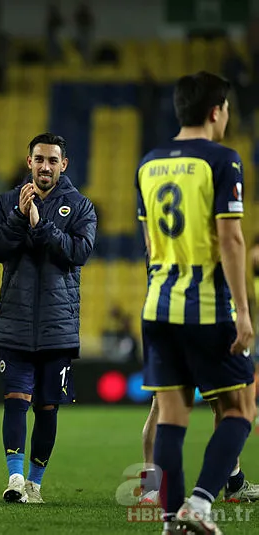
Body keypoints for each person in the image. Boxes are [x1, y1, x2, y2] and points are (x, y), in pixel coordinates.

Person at [137, 71, 257, 534]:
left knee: (172, 415)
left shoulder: (148, 164)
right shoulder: (223, 160)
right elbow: (231, 239)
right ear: (215, 111)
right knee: (240, 409)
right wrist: (243, 312)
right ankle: (201, 504)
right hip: (206, 307)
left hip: (157, 305)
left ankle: (170, 522)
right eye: (226, 109)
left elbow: (150, 245)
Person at [0, 133, 97, 504]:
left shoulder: (81, 207)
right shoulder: (5, 202)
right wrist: (18, 215)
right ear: (28, 162)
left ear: (64, 165)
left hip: (57, 326)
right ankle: (15, 479)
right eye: (39, 159)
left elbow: (77, 253)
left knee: (47, 409)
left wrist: (40, 225)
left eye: (52, 160)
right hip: (15, 321)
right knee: (15, 400)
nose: (45, 167)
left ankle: (35, 483)